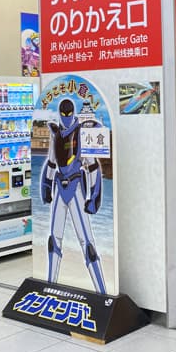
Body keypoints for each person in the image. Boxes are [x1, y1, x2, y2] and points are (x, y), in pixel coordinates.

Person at [40, 98, 106, 294]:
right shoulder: (55, 134)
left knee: (88, 244)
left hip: (76, 185)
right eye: (64, 114)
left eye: (69, 114)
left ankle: (102, 292)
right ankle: (50, 286)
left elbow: (92, 165)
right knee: (54, 240)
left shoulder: (82, 131)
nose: (67, 117)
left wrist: (93, 196)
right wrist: (47, 184)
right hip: (60, 185)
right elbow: (52, 163)